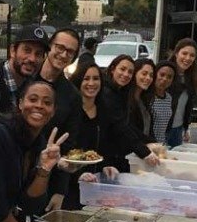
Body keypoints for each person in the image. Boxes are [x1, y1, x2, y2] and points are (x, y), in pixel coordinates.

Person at [0, 79, 68, 222]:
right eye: (33, 99)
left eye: (47, 102)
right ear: (20, 103)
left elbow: (30, 205)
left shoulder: (40, 142)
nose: (39, 105)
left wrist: (45, 169)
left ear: (53, 111)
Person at [66, 62, 158, 206]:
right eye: (86, 78)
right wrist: (78, 174)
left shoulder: (103, 109)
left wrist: (105, 165)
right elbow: (66, 151)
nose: (91, 83)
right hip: (70, 186)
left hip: (95, 186)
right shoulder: (70, 111)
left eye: (96, 79)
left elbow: (104, 145)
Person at [38, 28, 83, 212]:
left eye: (70, 51)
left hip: (47, 174)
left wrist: (60, 190)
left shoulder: (72, 95)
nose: (63, 54)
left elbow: (68, 145)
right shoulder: (26, 77)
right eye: (60, 47)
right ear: (50, 46)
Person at [0, 24, 50, 115]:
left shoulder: (35, 87)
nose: (32, 59)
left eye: (38, 54)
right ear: (13, 51)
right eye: (27, 50)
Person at [167, 38, 197, 147]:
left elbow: (187, 106)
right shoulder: (165, 74)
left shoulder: (190, 78)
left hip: (178, 129)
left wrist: (186, 127)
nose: (187, 58)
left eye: (192, 55)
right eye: (184, 53)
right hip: (163, 128)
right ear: (176, 53)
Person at [128, 58, 156, 143]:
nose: (148, 78)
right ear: (134, 74)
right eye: (144, 74)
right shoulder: (126, 100)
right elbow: (131, 131)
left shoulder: (143, 100)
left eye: (151, 75)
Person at [150, 61, 177, 145]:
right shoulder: (147, 97)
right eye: (162, 75)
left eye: (169, 77)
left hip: (161, 144)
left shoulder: (169, 98)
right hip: (147, 144)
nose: (165, 79)